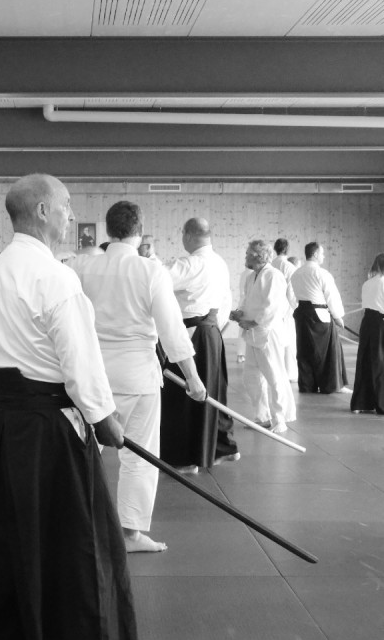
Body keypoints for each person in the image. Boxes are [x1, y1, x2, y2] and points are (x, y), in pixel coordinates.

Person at [0, 174, 139, 640]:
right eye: (66, 205)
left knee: (9, 528)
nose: (71, 215)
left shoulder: (0, 267)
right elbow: (79, 360)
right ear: (44, 210)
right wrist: (105, 418)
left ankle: (12, 635)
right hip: (51, 424)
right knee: (77, 535)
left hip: (7, 422)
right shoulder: (55, 277)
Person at [69, 200, 206, 552]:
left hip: (92, 375)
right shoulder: (150, 271)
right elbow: (171, 330)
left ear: (107, 229)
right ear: (140, 231)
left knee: (82, 452)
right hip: (137, 377)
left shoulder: (82, 266)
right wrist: (192, 378)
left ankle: (73, 526)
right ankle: (130, 534)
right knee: (139, 457)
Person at [162, 218, 239, 471]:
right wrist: (216, 329)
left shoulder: (190, 264)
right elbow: (226, 302)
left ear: (188, 235)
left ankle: (185, 459)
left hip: (191, 335)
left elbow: (155, 279)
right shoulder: (219, 262)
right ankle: (220, 448)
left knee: (182, 396)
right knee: (213, 390)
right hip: (212, 332)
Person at [231, 240, 296, 434]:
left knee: (275, 376)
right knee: (251, 376)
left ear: (257, 256)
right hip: (253, 334)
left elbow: (273, 306)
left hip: (268, 333)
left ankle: (280, 419)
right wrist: (239, 312)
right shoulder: (252, 276)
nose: (245, 256)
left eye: (248, 253)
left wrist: (254, 322)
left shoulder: (274, 275)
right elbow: (246, 300)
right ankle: (262, 417)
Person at [290, 242, 349, 394]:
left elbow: (291, 295)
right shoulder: (322, 273)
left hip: (302, 314)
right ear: (315, 254)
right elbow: (331, 296)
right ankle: (331, 385)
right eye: (322, 253)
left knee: (305, 351)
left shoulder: (296, 273)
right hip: (319, 316)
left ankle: (307, 386)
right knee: (328, 352)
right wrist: (337, 316)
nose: (323, 256)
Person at [351, 253, 384, 415]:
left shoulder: (368, 283)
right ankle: (381, 403)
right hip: (381, 323)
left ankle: (361, 402)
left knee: (365, 360)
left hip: (368, 322)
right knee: (380, 362)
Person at [271, 238, 298, 381]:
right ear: (287, 249)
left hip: (272, 309)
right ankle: (290, 373)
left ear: (275, 249)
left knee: (274, 342)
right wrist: (297, 308)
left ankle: (276, 372)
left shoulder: (270, 265)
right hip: (286, 310)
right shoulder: (289, 267)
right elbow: (291, 293)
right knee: (289, 343)